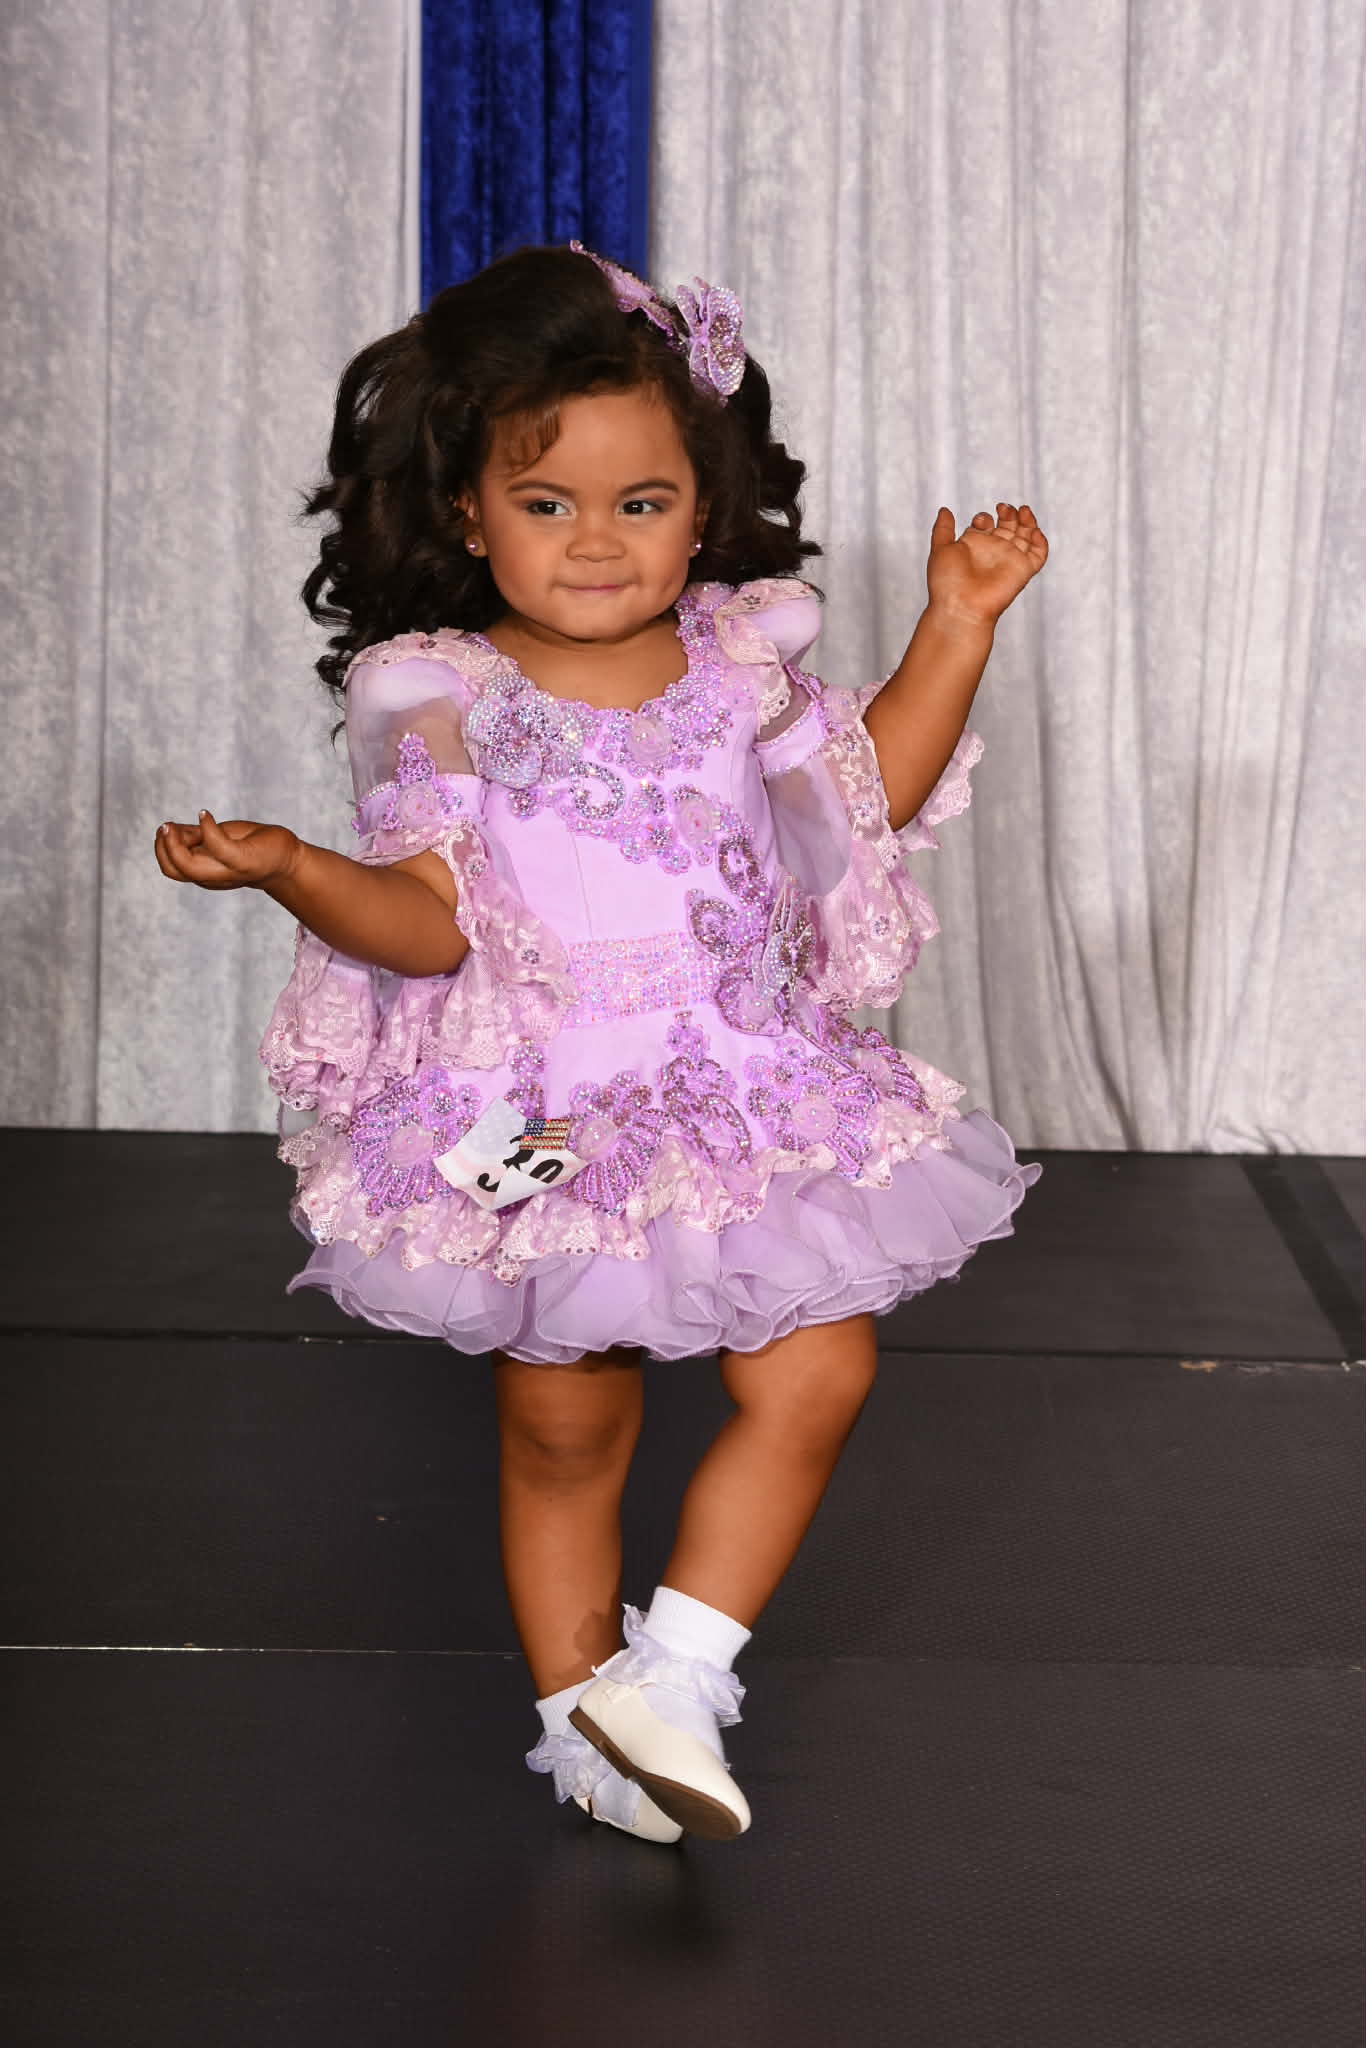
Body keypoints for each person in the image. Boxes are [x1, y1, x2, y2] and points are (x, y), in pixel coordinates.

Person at [154, 241, 1048, 1846]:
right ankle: (581, 1727)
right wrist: (294, 867)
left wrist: (957, 625)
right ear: (465, 514)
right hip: (548, 1105)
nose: (593, 540)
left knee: (817, 1367)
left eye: (638, 502)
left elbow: (862, 806)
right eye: (545, 501)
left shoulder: (738, 664)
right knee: (565, 1423)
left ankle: (678, 1674)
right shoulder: (439, 694)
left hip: (743, 1081)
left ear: (701, 511)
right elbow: (431, 925)